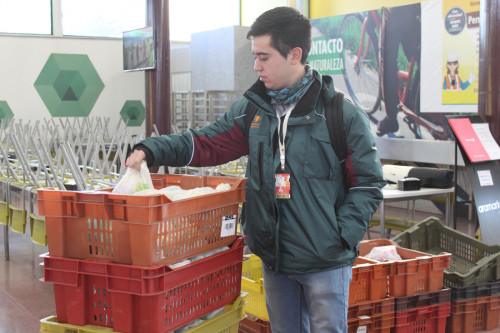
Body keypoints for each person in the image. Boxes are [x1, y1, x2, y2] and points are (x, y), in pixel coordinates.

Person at [126, 6, 385, 332]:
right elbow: (206, 143)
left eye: (264, 57)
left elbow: (368, 183)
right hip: (274, 257)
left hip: (325, 262)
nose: (256, 66)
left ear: (294, 55)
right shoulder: (252, 111)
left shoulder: (340, 115)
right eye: (254, 56)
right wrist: (152, 148)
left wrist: (340, 234)